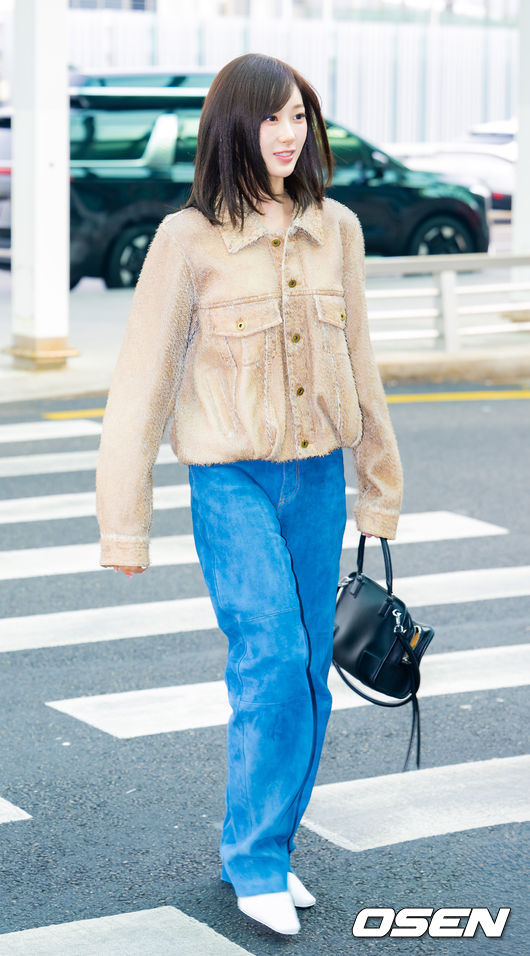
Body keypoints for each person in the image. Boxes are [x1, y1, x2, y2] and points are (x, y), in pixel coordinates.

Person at [95, 52, 403, 937]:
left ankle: (274, 840)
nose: (288, 133)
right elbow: (143, 383)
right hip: (230, 480)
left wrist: (380, 486)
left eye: (300, 116)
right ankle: (256, 859)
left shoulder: (336, 229)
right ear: (234, 125)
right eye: (271, 117)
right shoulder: (187, 239)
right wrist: (124, 523)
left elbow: (362, 365)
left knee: (309, 673)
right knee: (269, 656)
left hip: (318, 479)